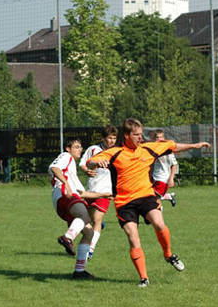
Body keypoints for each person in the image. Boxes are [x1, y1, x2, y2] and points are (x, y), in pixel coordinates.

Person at [87, 118, 210, 287]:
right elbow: (90, 162)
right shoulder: (115, 152)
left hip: (146, 196)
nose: (140, 137)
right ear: (127, 135)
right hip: (124, 202)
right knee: (133, 237)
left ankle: (168, 255)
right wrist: (96, 163)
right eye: (136, 135)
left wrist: (195, 146)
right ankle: (144, 278)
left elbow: (172, 146)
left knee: (159, 223)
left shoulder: (148, 148)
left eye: (141, 134)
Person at [49, 138, 110, 279]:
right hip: (63, 194)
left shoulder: (72, 172)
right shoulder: (66, 156)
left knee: (89, 233)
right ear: (68, 149)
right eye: (76, 147)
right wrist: (66, 184)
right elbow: (54, 168)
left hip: (66, 199)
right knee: (86, 216)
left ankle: (79, 270)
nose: (79, 149)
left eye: (80, 147)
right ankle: (68, 237)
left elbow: (83, 193)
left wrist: (106, 194)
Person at [78, 125, 118, 259]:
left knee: (96, 219)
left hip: (106, 192)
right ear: (103, 138)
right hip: (90, 190)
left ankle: (90, 249)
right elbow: (83, 163)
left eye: (114, 138)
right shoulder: (93, 149)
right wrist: (86, 170)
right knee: (87, 221)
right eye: (110, 138)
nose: (112, 141)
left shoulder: (117, 152)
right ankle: (99, 227)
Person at [149, 129, 179, 207]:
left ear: (164, 138)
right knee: (150, 197)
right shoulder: (154, 150)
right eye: (157, 137)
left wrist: (171, 178)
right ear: (154, 139)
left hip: (163, 179)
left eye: (161, 137)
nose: (159, 139)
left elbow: (174, 164)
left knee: (154, 199)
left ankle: (157, 217)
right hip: (155, 177)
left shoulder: (168, 150)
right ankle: (168, 196)